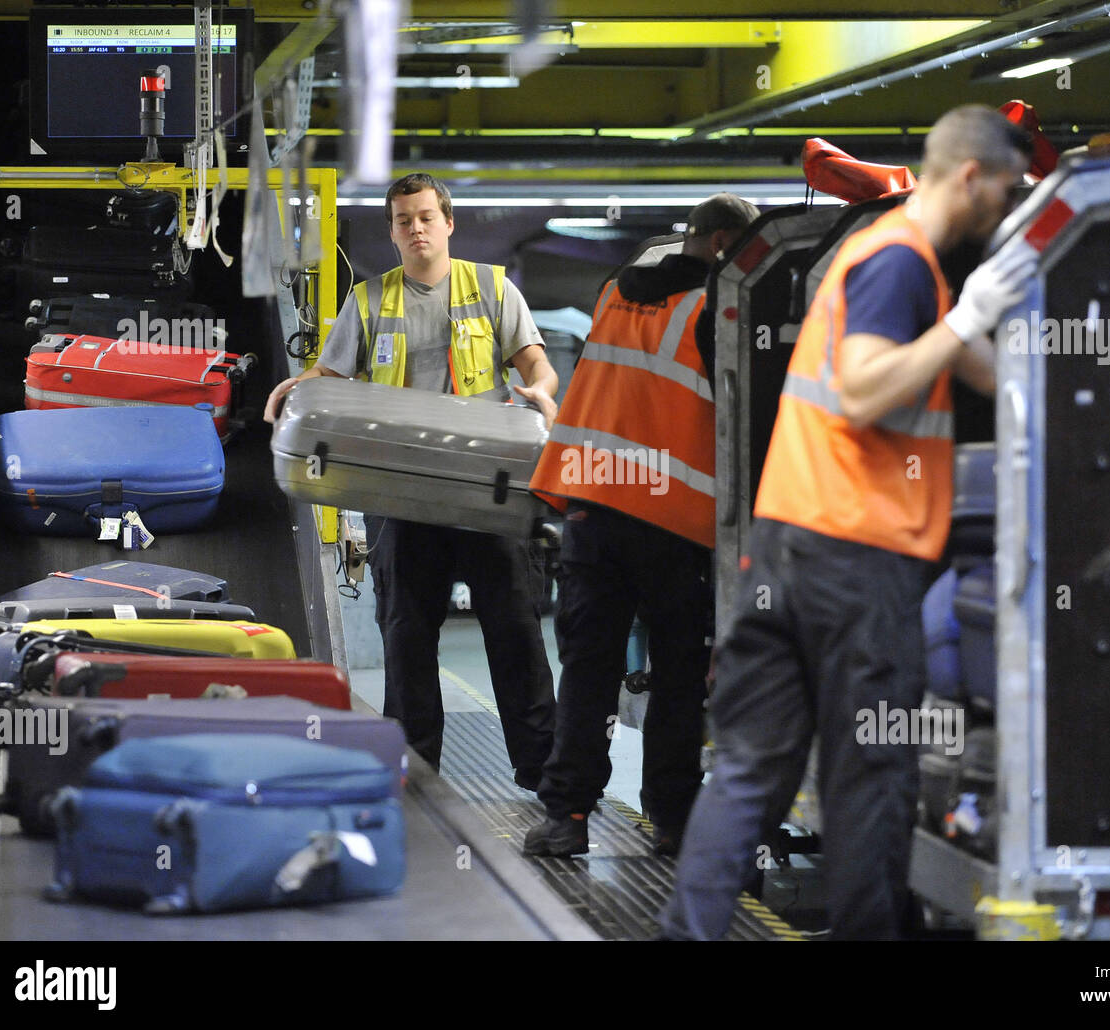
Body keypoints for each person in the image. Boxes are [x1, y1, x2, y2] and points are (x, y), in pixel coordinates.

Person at [659, 105, 1036, 939]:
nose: (1007, 211)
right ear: (970, 175)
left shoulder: (886, 263)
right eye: (1007, 191)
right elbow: (867, 388)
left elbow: (970, 369)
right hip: (858, 566)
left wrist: (1018, 355)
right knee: (870, 780)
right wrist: (970, 321)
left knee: (750, 771)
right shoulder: (900, 263)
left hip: (787, 550)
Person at [264, 172, 559, 787]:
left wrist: (542, 391)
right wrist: (298, 386)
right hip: (403, 492)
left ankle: (543, 771)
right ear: (392, 230)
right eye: (404, 220)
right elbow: (333, 374)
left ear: (447, 223)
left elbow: (534, 361)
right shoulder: (370, 300)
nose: (416, 228)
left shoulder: (492, 288)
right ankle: (412, 771)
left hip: (486, 489)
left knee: (515, 631)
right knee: (406, 636)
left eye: (426, 217)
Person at [521, 193, 760, 858]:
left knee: (588, 669)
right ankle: (674, 819)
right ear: (720, 245)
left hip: (596, 506)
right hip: (672, 518)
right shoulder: (716, 308)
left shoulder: (613, 293)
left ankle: (566, 817)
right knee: (680, 675)